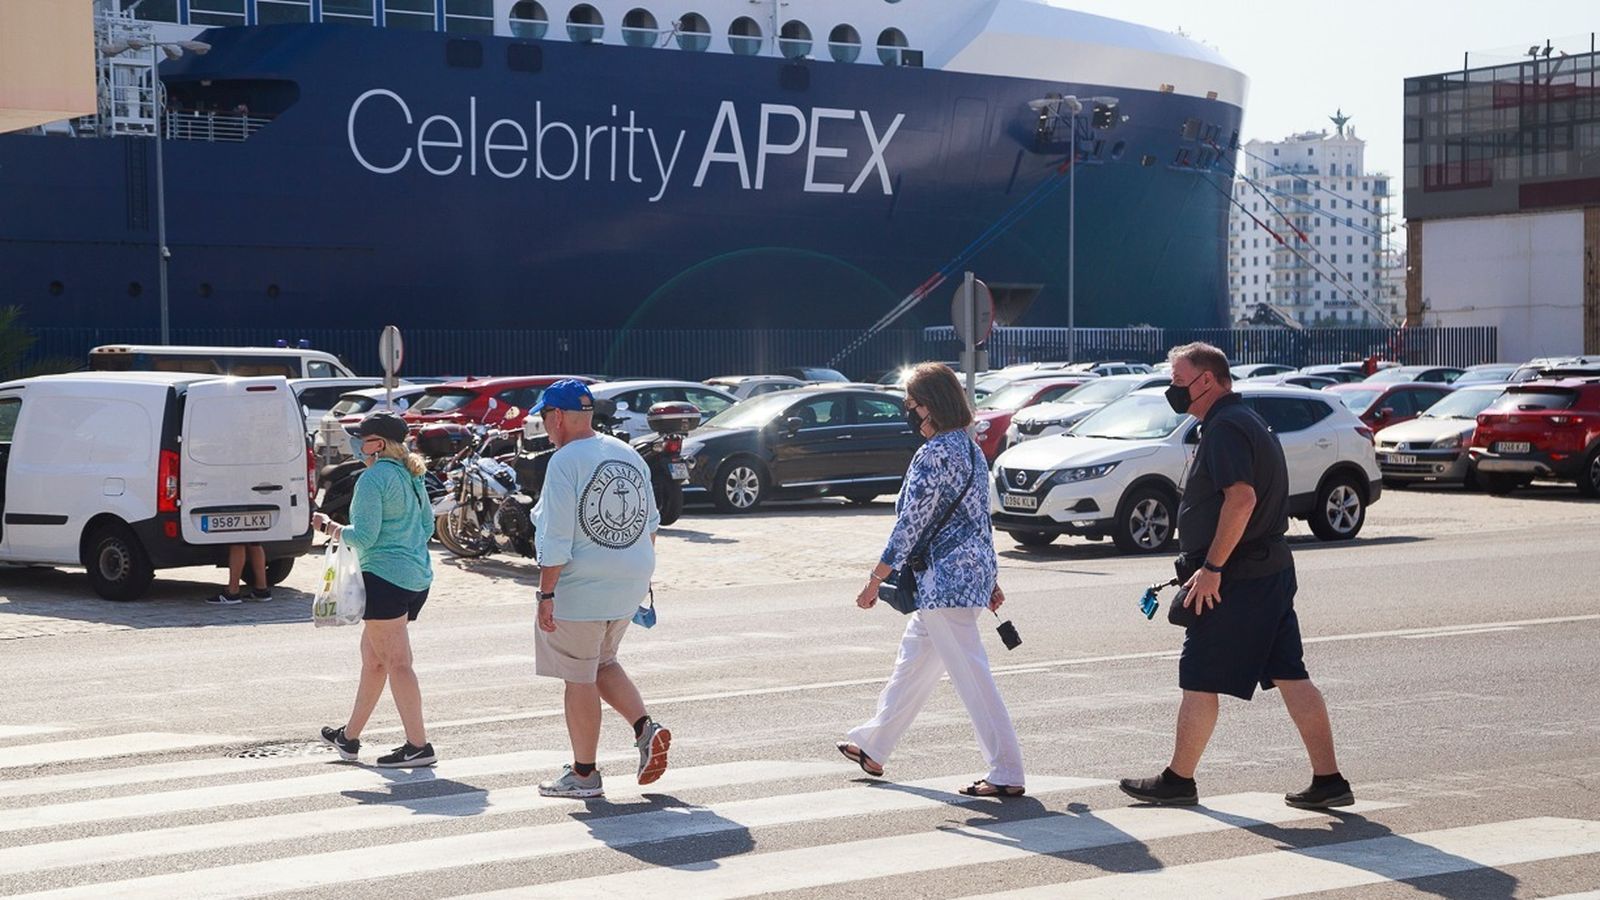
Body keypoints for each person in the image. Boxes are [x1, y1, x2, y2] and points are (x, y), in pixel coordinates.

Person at [1120, 342, 1351, 809]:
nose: (1172, 389)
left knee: (1199, 674)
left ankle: (1178, 779)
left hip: (1239, 578)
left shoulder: (1226, 427)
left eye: (1178, 381)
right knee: (1290, 674)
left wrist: (1212, 569)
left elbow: (1241, 499)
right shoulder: (1245, 420)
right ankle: (1329, 780)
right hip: (1266, 570)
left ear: (1206, 380)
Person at [839, 363, 1025, 798]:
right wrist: (989, 578)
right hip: (959, 579)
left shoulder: (935, 453)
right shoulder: (970, 449)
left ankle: (1007, 770)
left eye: (912, 404)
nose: (909, 413)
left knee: (973, 679)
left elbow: (911, 524)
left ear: (932, 406)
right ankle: (874, 743)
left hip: (944, 582)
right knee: (913, 664)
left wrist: (875, 579)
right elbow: (980, 522)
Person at [530, 379, 669, 799]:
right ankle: (646, 729)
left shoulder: (564, 461)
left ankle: (584, 773)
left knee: (578, 676)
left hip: (581, 586)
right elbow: (651, 523)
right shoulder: (627, 452)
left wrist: (546, 594)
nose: (544, 426)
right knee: (603, 661)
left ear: (557, 417)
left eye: (544, 417)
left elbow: (556, 537)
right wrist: (635, 573)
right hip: (629, 579)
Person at [313, 412, 437, 768]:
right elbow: (427, 527)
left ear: (378, 444)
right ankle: (349, 738)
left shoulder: (373, 478)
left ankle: (419, 746)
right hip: (415, 577)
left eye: (362, 438)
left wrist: (329, 527)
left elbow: (364, 537)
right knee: (373, 661)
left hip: (384, 578)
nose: (356, 443)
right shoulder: (412, 474)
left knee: (398, 663)